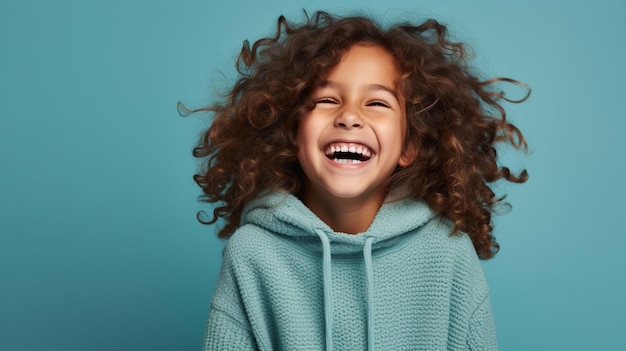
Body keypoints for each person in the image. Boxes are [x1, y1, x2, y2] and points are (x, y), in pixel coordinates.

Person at [188, 10, 529, 351]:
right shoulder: (252, 254)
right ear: (292, 134)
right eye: (326, 100)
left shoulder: (447, 254)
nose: (349, 116)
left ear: (409, 146)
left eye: (377, 102)